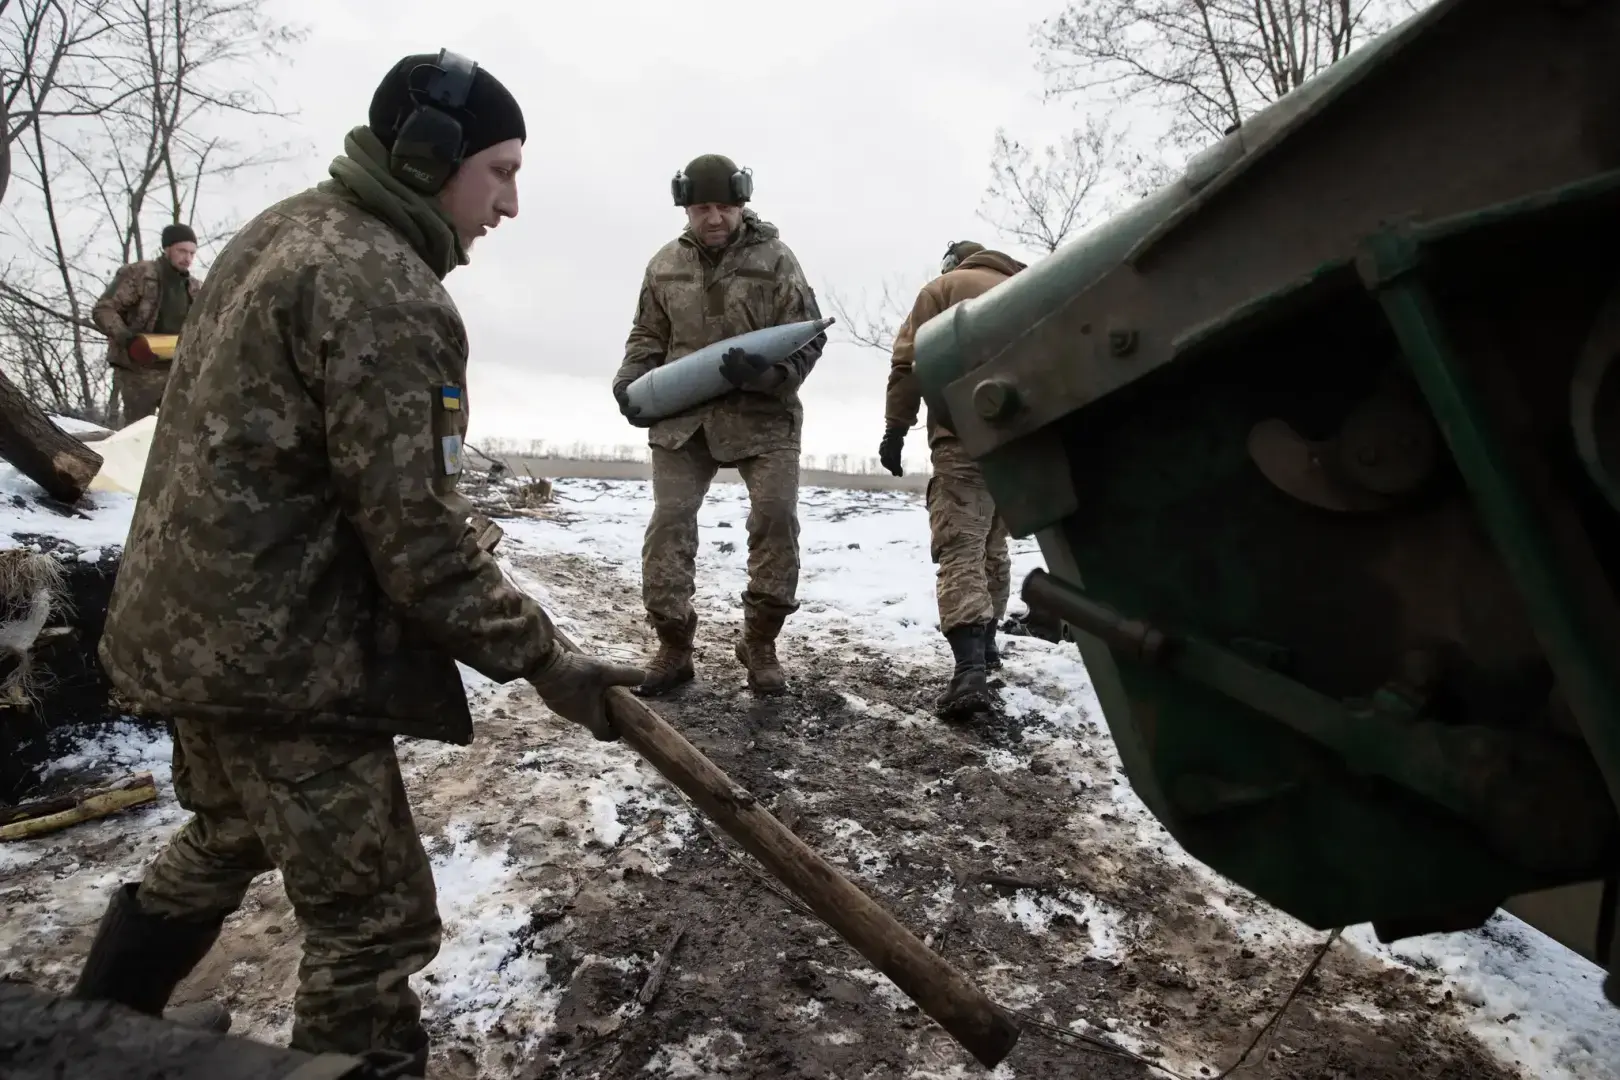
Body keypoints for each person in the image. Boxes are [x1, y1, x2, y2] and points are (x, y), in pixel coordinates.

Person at [72, 50, 644, 1074]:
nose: (510, 204)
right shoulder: (383, 290)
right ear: (430, 161)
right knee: (374, 922)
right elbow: (418, 544)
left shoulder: (281, 232)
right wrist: (548, 662)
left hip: (188, 627)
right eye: (500, 172)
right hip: (275, 656)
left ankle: (89, 1029)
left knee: (233, 828)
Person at [612, 154, 825, 698]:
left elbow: (809, 336)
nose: (715, 218)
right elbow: (646, 337)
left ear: (741, 205)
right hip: (685, 422)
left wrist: (771, 374)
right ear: (686, 208)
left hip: (764, 418)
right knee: (669, 524)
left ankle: (759, 643)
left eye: (726, 207)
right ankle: (674, 644)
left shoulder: (777, 259)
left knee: (776, 521)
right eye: (703, 207)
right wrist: (630, 383)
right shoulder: (663, 265)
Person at [880, 240, 1027, 719]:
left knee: (960, 544)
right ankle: (986, 648)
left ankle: (969, 673)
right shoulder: (1027, 287)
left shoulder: (941, 288)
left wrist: (895, 430)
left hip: (962, 433)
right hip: (1024, 439)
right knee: (993, 544)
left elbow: (908, 363)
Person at [92, 223, 202, 423]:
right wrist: (128, 340)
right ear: (167, 248)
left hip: (177, 369)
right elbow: (104, 310)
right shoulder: (140, 274)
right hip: (139, 370)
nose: (187, 258)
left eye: (192, 253)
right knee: (137, 431)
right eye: (182, 251)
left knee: (181, 429)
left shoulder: (194, 287)